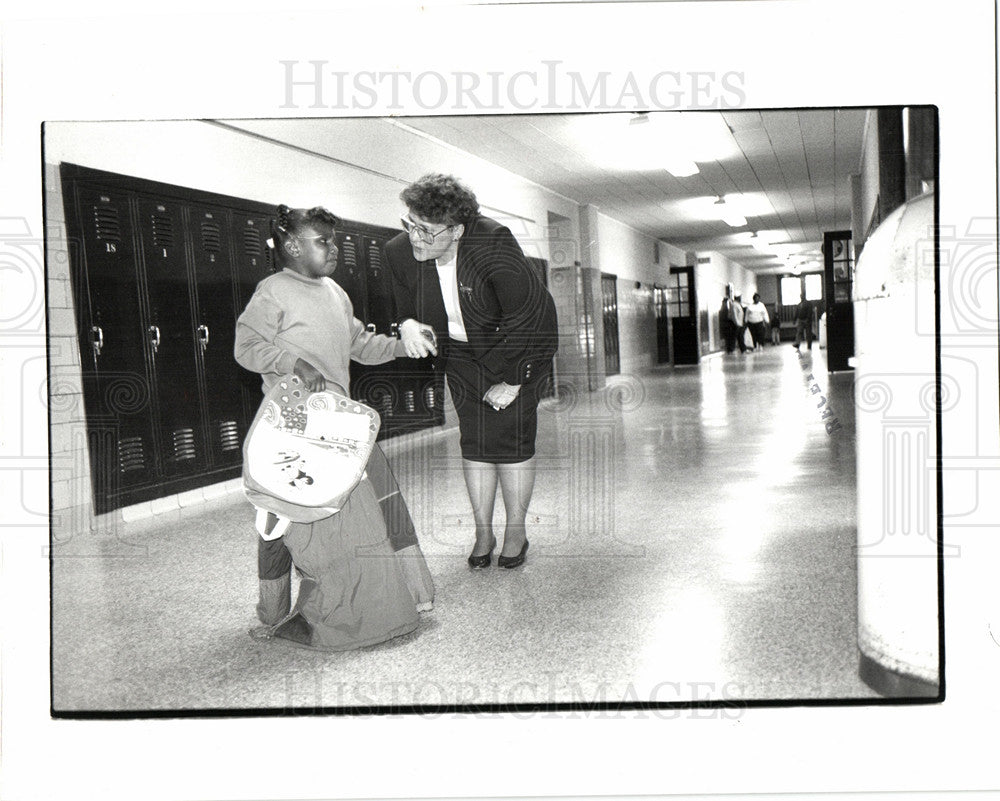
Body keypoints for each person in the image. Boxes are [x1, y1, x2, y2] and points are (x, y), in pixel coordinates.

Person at [234, 204, 437, 651]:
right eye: (323, 241)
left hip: (341, 423)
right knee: (287, 523)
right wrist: (291, 361)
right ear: (292, 246)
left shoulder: (335, 292)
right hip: (293, 427)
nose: (335, 248)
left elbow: (360, 344)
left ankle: (403, 597)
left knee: (379, 512)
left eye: (334, 240)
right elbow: (245, 346)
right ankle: (276, 614)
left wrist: (405, 347)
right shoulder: (273, 292)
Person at [384, 174, 558, 570]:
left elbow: (528, 314)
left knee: (511, 441)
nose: (415, 238)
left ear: (458, 230)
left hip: (519, 347)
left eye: (426, 231)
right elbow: (402, 307)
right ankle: (483, 531)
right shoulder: (398, 251)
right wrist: (406, 324)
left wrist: (513, 379)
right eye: (410, 224)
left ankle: (516, 531)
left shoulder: (492, 241)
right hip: (461, 354)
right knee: (475, 441)